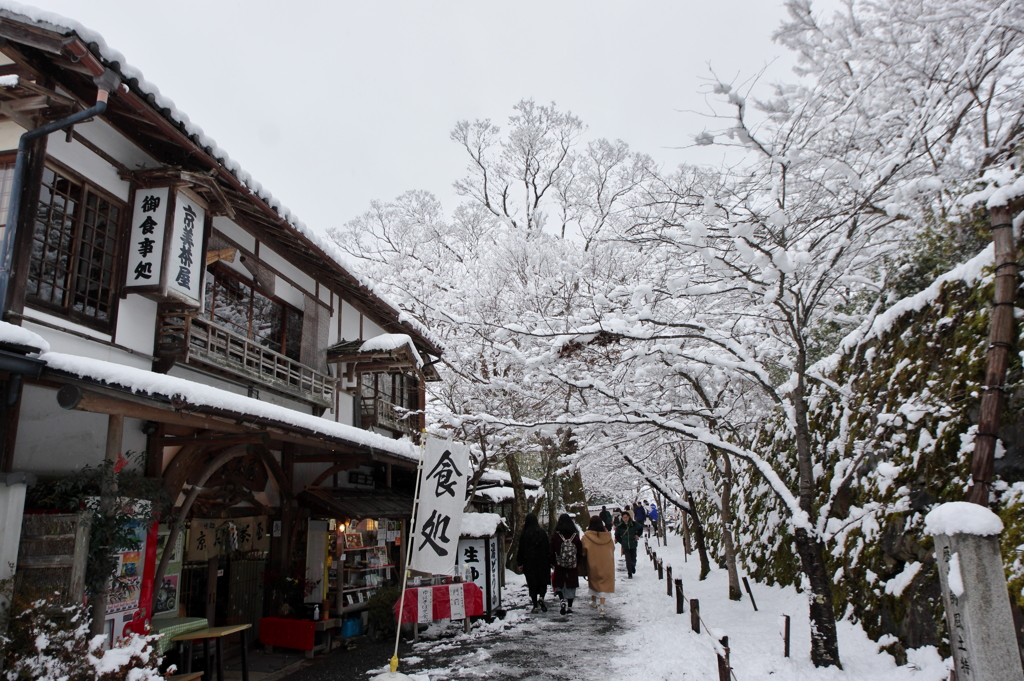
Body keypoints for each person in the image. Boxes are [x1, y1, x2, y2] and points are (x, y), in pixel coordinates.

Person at [516, 513, 551, 612]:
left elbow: (521, 549)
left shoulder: (525, 534)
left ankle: (535, 604)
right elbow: (547, 547)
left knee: (532, 583)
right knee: (542, 581)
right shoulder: (542, 532)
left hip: (529, 562)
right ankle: (542, 597)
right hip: (542, 562)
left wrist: (520, 563)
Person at [549, 513, 583, 615]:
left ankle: (561, 600)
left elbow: (551, 550)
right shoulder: (575, 536)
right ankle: (570, 606)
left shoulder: (556, 536)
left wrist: (552, 562)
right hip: (572, 565)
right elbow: (580, 551)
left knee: (559, 584)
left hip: (560, 564)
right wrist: (578, 561)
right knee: (571, 585)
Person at [581, 515, 615, 614]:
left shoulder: (586, 536)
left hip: (593, 563)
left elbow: (583, 551)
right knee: (604, 584)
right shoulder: (607, 536)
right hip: (606, 563)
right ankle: (603, 606)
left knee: (594, 582)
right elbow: (612, 548)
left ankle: (594, 601)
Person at [615, 509, 643, 578]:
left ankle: (633, 566)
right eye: (624, 518)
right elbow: (617, 535)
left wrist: (637, 535)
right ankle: (629, 573)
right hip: (625, 545)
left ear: (629, 517)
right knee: (628, 559)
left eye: (626, 517)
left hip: (633, 543)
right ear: (622, 518)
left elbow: (640, 528)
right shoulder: (620, 526)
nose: (625, 519)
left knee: (633, 558)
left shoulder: (634, 524)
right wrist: (621, 541)